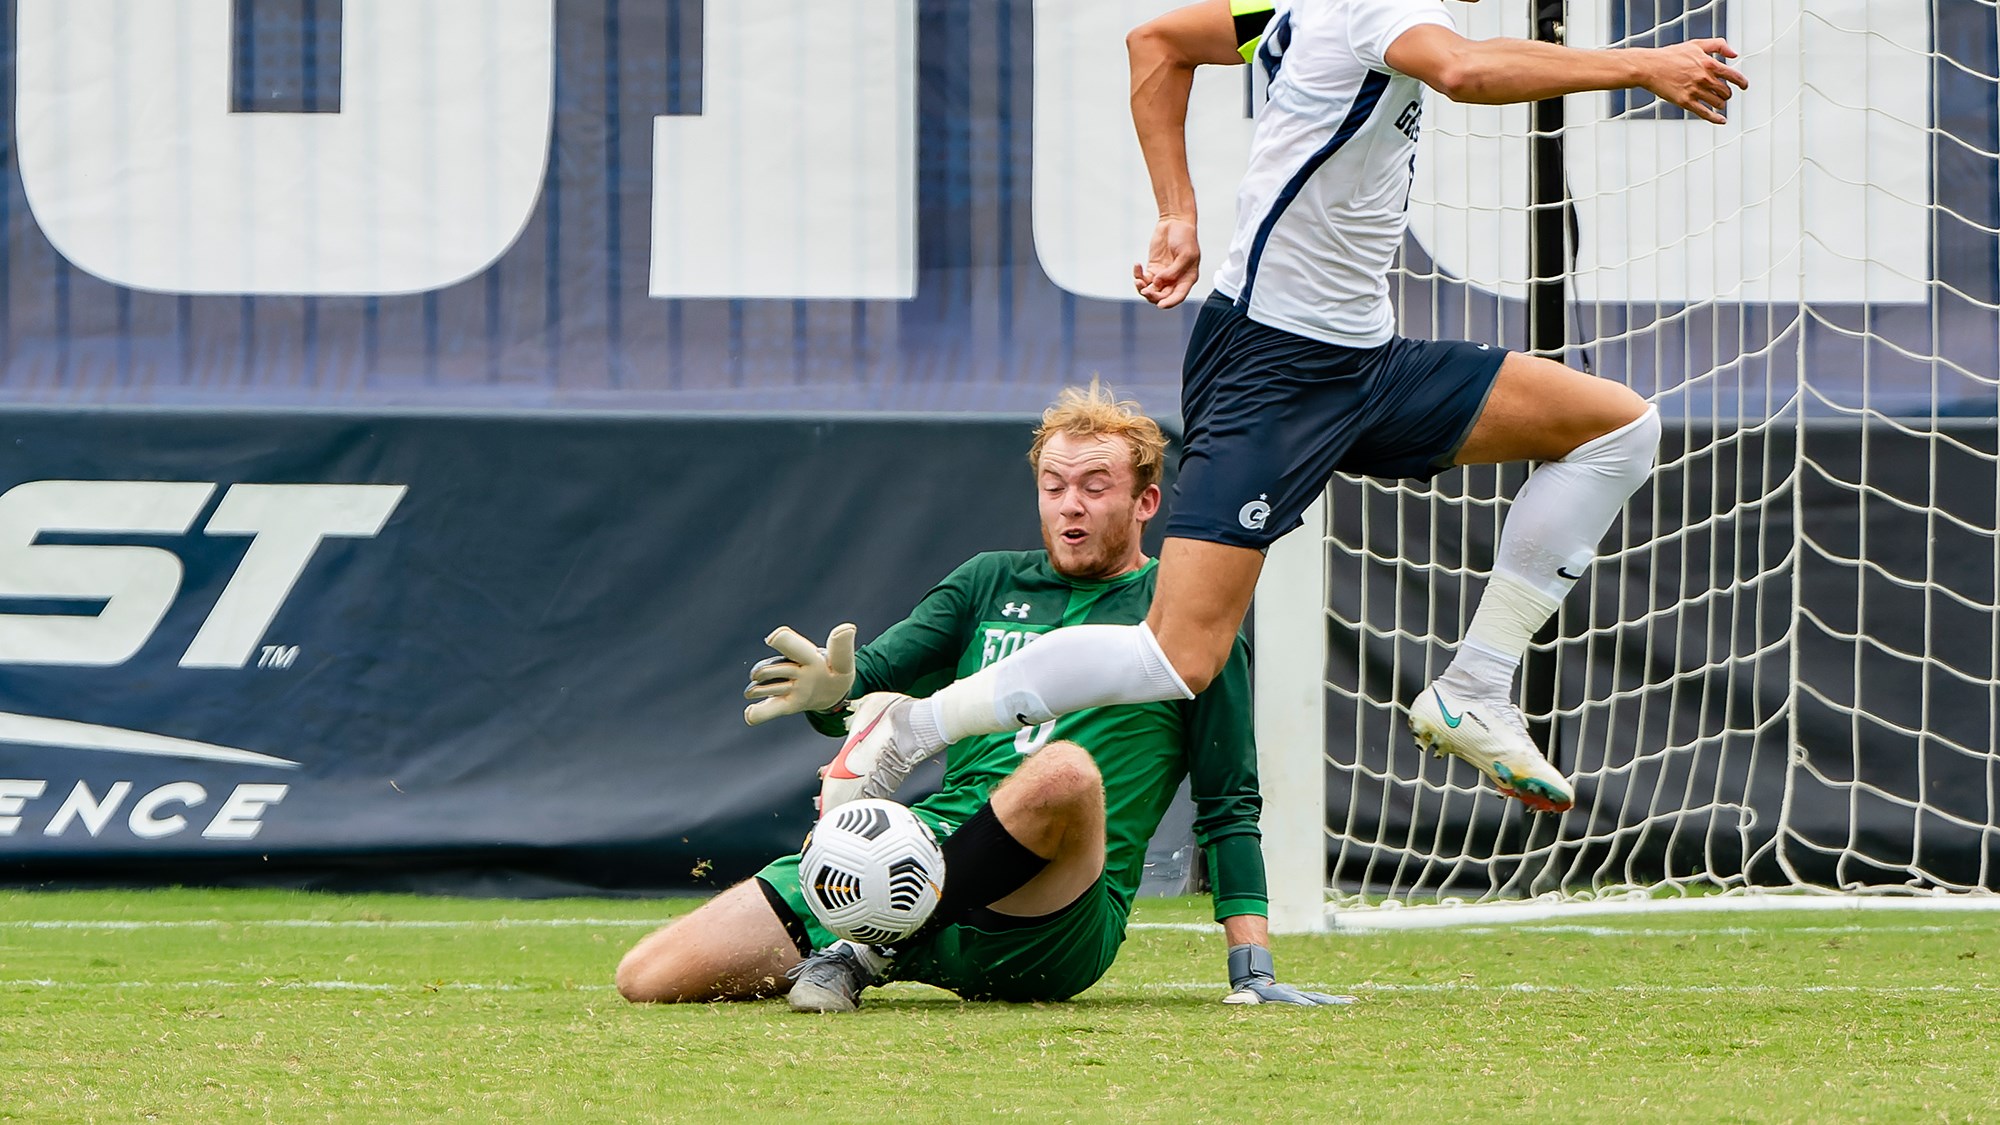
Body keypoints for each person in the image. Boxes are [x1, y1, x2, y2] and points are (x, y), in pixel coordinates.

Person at [820, 0, 1748, 817]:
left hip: (1362, 360)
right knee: (1177, 656)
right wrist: (1640, 64)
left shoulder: (1291, 3)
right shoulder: (1382, 5)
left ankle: (1475, 685)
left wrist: (1177, 215)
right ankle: (911, 727)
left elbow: (1157, 41)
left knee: (1618, 425)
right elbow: (1462, 70)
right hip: (1267, 367)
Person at [616, 384, 1344, 1012]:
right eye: (1054, 485)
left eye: (1096, 485)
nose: (1071, 504)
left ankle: (865, 953)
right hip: (912, 856)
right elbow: (862, 695)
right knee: (647, 977)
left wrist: (1252, 968)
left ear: (1146, 498)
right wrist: (829, 695)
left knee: (1065, 772)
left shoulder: (1181, 620)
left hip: (1053, 916)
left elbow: (1227, 801)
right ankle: (877, 935)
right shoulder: (987, 582)